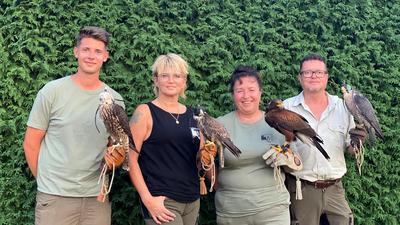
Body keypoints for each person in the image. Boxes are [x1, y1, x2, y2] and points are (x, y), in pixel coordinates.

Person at [23, 26, 123, 225]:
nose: (91, 56)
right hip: (55, 197)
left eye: (97, 51)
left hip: (97, 199)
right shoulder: (52, 92)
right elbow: (31, 143)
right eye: (86, 49)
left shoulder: (115, 100)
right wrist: (46, 184)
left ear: (105, 56)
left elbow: (116, 148)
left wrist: (115, 160)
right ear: (75, 52)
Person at [283, 53, 366, 225]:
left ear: (326, 77)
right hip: (301, 189)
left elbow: (350, 149)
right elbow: (280, 148)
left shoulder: (343, 107)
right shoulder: (287, 107)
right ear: (300, 77)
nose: (313, 76)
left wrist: (357, 142)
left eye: (319, 72)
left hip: (335, 189)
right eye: (307, 72)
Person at [128, 53, 201, 225]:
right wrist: (147, 199)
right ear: (155, 80)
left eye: (177, 76)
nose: (171, 80)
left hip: (192, 199)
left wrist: (207, 157)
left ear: (184, 81)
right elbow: (130, 159)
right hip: (162, 200)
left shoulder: (194, 115)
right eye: (164, 75)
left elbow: (200, 158)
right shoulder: (144, 112)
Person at [215, 66, 292, 225]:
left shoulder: (278, 122)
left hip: (273, 210)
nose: (246, 96)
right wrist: (227, 190)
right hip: (232, 211)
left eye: (251, 89)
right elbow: (206, 165)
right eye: (240, 90)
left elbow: (296, 163)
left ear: (260, 92)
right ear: (233, 95)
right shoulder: (220, 125)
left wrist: (290, 160)